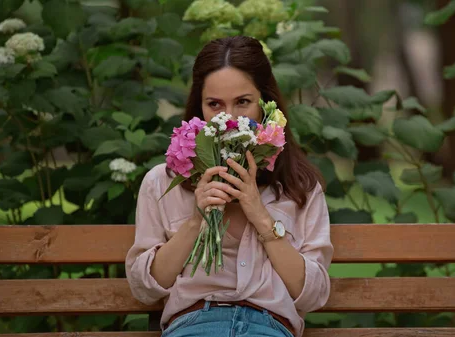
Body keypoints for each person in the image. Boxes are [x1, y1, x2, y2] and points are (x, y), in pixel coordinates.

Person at [125, 36, 334, 337]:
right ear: (198, 107)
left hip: (270, 327)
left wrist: (260, 216)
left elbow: (314, 296)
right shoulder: (162, 182)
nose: (231, 118)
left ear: (265, 104)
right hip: (193, 325)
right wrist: (197, 220)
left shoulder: (299, 186)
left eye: (243, 102)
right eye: (214, 104)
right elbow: (144, 290)